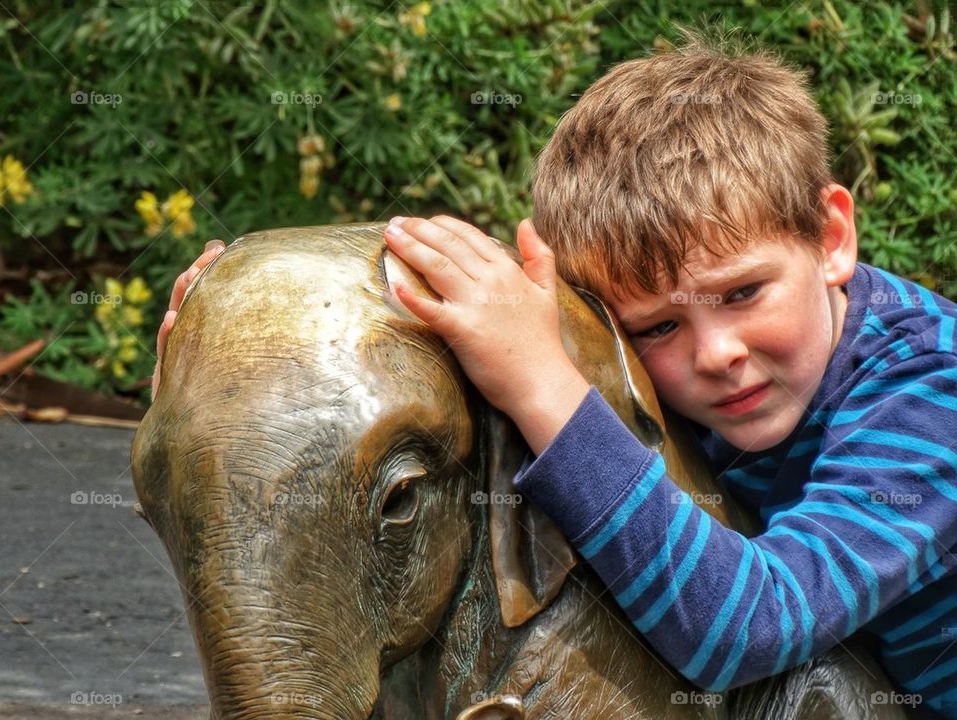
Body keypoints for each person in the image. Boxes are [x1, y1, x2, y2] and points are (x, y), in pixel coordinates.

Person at [154, 33, 957, 718]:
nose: (715, 353)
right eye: (659, 327)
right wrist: (229, 386)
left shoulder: (929, 396)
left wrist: (544, 383)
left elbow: (748, 627)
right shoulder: (723, 370)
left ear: (831, 237)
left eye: (743, 293)